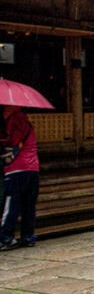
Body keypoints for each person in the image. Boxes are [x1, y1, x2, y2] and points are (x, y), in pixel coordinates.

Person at [0, 106, 40, 251]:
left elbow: (11, 141)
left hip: (16, 168)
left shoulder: (15, 120)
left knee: (12, 205)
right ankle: (28, 236)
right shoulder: (27, 121)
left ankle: (5, 237)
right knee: (28, 205)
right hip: (32, 167)